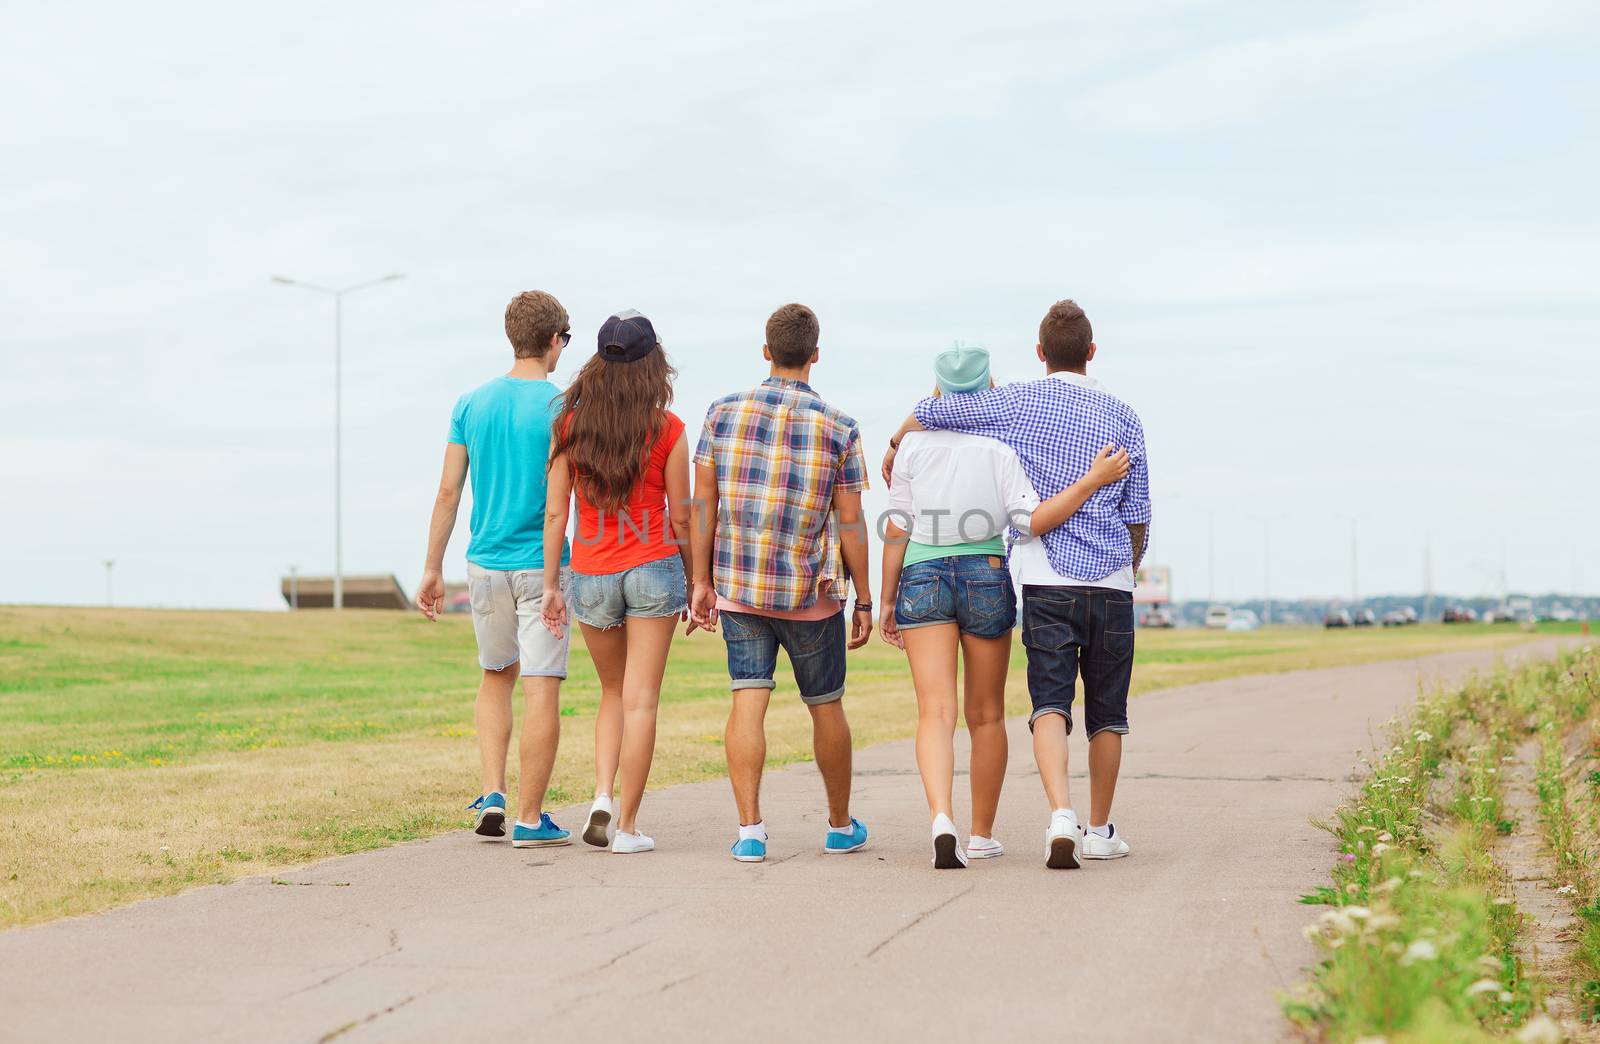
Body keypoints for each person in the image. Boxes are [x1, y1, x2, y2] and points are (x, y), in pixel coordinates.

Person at [883, 300, 1151, 869]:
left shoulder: (1017, 404)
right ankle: (1084, 829)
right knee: (1098, 712)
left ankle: (1030, 814)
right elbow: (1137, 511)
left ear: (1039, 353)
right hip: (1088, 577)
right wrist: (1130, 558)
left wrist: (894, 439)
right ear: (1092, 352)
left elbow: (935, 422)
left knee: (1025, 703)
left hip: (1031, 573)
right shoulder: (1122, 415)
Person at [689, 303, 874, 863]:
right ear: (815, 355)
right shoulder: (840, 426)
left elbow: (702, 507)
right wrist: (865, 595)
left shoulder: (721, 413)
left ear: (766, 351)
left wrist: (700, 580)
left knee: (748, 701)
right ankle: (840, 826)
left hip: (740, 588)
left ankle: (750, 830)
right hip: (810, 595)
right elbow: (850, 521)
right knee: (826, 706)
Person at [415, 290, 575, 849]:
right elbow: (560, 501)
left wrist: (432, 568)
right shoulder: (562, 407)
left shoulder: (471, 403)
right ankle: (531, 818)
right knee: (541, 687)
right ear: (554, 340)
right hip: (541, 565)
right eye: (565, 340)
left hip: (483, 565)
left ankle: (494, 792)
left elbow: (447, 491)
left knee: (494, 676)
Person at [541, 309, 693, 855]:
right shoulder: (668, 428)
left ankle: (602, 795)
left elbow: (556, 514)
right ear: (654, 363)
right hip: (654, 565)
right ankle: (627, 826)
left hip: (591, 570)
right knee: (641, 700)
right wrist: (697, 579)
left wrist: (553, 584)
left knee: (610, 691)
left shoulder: (568, 426)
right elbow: (681, 515)